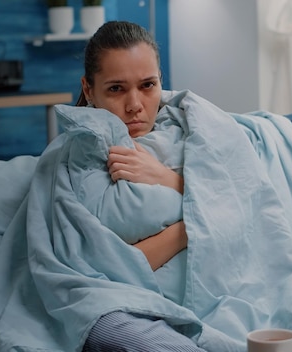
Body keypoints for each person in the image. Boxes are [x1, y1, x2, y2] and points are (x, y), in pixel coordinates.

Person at [76, 20, 206, 352]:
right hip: (125, 303)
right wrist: (192, 226)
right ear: (89, 90)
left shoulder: (197, 129)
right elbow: (104, 269)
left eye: (147, 85)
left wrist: (166, 178)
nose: (135, 104)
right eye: (116, 89)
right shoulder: (79, 160)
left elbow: (244, 206)